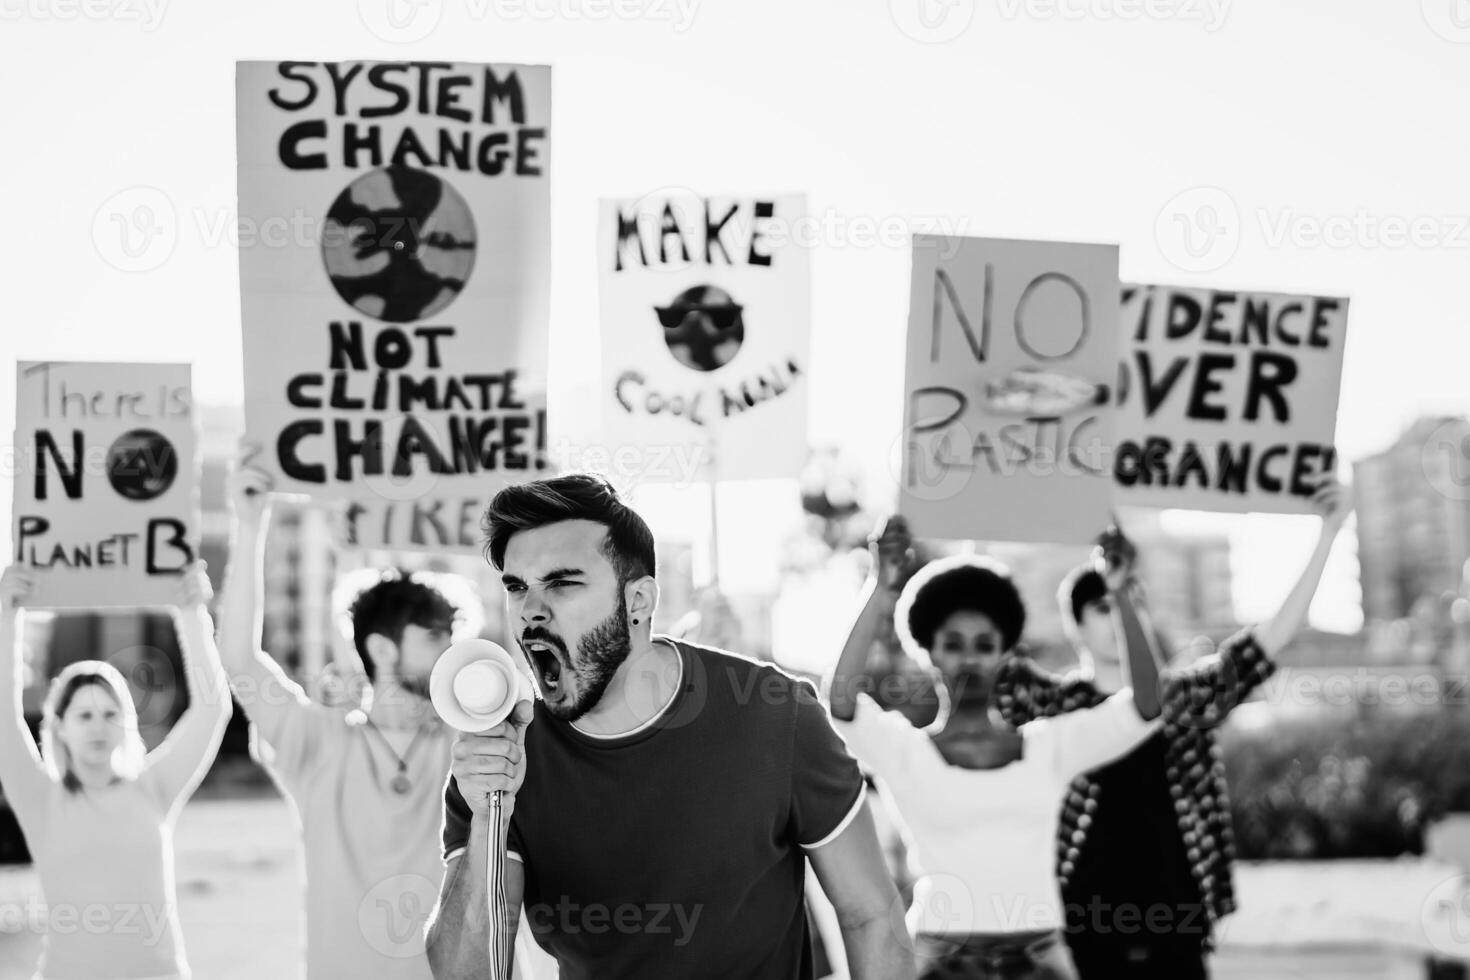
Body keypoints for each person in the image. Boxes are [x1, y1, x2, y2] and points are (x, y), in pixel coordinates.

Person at [427, 472, 912, 980]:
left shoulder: (776, 715)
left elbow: (872, 916)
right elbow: (464, 973)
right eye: (517, 587)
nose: (529, 611)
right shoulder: (500, 760)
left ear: (638, 602)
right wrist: (488, 818)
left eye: (562, 583)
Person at [995, 476, 1354, 979]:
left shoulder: (1183, 698)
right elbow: (986, 665)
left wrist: (1329, 533)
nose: (1122, 615)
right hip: (1082, 909)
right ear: (1074, 623)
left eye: (1132, 601)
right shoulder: (1059, 704)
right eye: (1105, 606)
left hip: (1176, 905)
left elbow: (1270, 639)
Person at [220, 450, 551, 980]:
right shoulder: (316, 738)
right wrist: (249, 519)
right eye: (434, 638)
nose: (452, 652)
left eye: (453, 637)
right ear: (383, 650)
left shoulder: (471, 738)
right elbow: (239, 658)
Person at [826, 519, 1163, 980]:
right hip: (937, 961)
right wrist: (880, 586)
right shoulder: (903, 751)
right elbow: (841, 700)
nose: (969, 658)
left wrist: (1120, 592)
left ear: (1005, 653)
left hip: (1039, 961)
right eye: (954, 644)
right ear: (929, 652)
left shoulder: (1049, 747)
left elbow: (1146, 706)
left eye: (985, 645)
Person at [0, 562, 231, 980]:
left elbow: (214, 708)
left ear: (127, 724)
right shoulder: (39, 800)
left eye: (110, 713)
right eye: (84, 714)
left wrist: (191, 613)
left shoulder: (153, 787)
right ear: (60, 728)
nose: (98, 725)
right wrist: (5, 615)